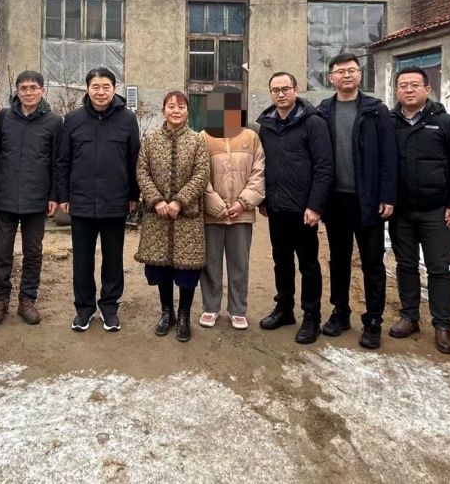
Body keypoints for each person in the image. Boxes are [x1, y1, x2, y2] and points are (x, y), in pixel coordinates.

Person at [388, 67, 450, 354]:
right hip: (401, 211)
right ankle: (409, 316)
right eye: (402, 85)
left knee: (438, 268)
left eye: (414, 85)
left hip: (436, 211)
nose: (408, 90)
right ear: (396, 91)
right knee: (406, 265)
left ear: (427, 89)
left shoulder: (445, 123)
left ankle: (443, 324)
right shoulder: (388, 123)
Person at [317, 53, 397, 350]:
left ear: (360, 75)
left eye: (351, 70)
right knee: (338, 259)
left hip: (368, 199)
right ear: (331, 78)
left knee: (372, 261)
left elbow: (389, 155)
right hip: (335, 199)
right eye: (340, 71)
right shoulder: (323, 111)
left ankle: (373, 319)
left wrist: (387, 195)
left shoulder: (376, 110)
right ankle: (340, 312)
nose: (346, 75)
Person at [56, 67, 141, 332]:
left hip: (115, 201)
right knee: (82, 260)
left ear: (114, 89)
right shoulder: (73, 119)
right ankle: (84, 309)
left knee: (113, 259)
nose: (101, 92)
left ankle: (109, 307)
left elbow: (134, 160)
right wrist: (63, 195)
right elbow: (63, 160)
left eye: (106, 87)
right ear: (87, 89)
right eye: (95, 87)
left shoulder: (127, 119)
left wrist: (134, 195)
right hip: (81, 201)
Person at [256, 72, 334, 344]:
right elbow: (262, 166)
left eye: (285, 88)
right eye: (275, 89)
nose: (280, 94)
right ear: (270, 93)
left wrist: (315, 205)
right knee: (281, 261)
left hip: (303, 210)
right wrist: (264, 200)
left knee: (308, 264)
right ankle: (284, 309)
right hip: (277, 208)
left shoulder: (313, 123)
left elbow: (324, 167)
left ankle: (311, 316)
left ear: (295, 89)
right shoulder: (266, 125)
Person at [0, 70, 62, 327]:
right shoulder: (4, 117)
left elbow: (57, 162)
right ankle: (0, 299)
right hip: (5, 197)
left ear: (43, 90)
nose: (28, 92)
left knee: (33, 252)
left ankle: (27, 299)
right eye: (24, 88)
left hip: (36, 198)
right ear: (17, 91)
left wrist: (54, 195)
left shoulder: (54, 121)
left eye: (33, 87)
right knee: (1, 251)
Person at [135, 91, 210, 341]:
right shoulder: (150, 140)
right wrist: (156, 200)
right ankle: (167, 312)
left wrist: (179, 201)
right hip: (157, 217)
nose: (175, 110)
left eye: (181, 106)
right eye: (171, 106)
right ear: (163, 110)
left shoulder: (197, 141)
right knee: (161, 267)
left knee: (187, 270)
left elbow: (202, 174)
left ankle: (184, 315)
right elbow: (142, 172)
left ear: (187, 111)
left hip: (187, 217)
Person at [198, 89, 265, 331]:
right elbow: (199, 174)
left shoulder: (251, 137)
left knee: (239, 263)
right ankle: (210, 307)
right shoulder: (203, 137)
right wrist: (214, 203)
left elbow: (259, 173)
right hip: (211, 214)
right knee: (210, 263)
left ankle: (238, 309)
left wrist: (243, 202)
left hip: (241, 214)